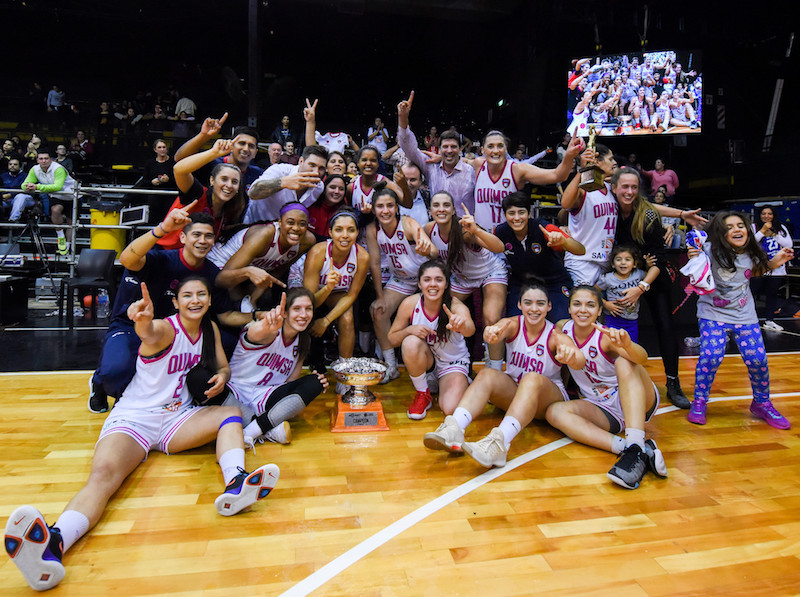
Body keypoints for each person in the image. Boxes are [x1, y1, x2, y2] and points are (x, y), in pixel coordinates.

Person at [4, 277, 279, 592]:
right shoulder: (165, 328)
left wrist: (220, 377)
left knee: (230, 414)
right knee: (104, 476)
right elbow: (148, 333)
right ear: (175, 302)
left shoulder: (210, 330)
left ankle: (236, 482)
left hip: (177, 419)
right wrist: (144, 322)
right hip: (135, 419)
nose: (195, 300)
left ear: (208, 300)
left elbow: (223, 367)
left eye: (201, 294)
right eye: (187, 295)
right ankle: (54, 544)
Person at [88, 210, 248, 413]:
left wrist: (257, 316)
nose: (203, 240)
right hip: (134, 325)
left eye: (208, 236)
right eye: (196, 235)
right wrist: (162, 229)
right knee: (116, 372)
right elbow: (128, 259)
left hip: (175, 333)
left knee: (226, 340)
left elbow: (225, 314)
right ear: (183, 237)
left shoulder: (212, 273)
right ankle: (100, 382)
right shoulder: (160, 260)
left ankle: (187, 392)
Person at [423, 281, 584, 467]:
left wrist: (572, 356)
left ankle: (499, 442)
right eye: (528, 302)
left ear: (549, 306)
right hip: (518, 395)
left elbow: (578, 359)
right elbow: (496, 329)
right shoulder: (513, 324)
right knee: (487, 374)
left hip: (547, 401)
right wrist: (490, 333)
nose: (534, 308)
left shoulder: (555, 335)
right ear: (519, 304)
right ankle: (454, 428)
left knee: (531, 378)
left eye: (540, 303)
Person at [547, 285, 667, 490]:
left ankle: (635, 442)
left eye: (590, 305)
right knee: (555, 412)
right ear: (569, 308)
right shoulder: (562, 329)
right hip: (602, 407)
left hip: (635, 397)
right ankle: (632, 449)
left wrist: (628, 346)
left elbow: (643, 359)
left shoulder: (605, 337)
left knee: (624, 361)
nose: (583, 310)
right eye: (577, 304)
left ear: (600, 310)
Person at [687, 212, 795, 429]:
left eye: (740, 225)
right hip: (712, 314)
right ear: (720, 233)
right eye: (730, 227)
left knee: (757, 359)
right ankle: (699, 401)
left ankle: (762, 403)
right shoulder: (709, 251)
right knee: (711, 356)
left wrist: (777, 261)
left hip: (744, 315)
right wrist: (694, 256)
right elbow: (694, 267)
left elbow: (756, 271)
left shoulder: (752, 252)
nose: (737, 230)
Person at [611, 166, 690, 409]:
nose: (629, 191)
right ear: (614, 188)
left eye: (634, 187)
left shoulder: (649, 216)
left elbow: (660, 259)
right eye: (625, 186)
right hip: (620, 274)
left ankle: (673, 383)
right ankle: (609, 381)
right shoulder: (607, 210)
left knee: (665, 326)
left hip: (652, 275)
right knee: (614, 329)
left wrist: (641, 287)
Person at [225, 288, 328, 445]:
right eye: (297, 309)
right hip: (234, 393)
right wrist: (267, 327)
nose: (303, 314)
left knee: (316, 381)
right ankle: (266, 428)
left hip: (264, 397)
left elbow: (290, 382)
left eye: (308, 309)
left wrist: (312, 385)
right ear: (284, 313)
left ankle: (250, 431)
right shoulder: (269, 331)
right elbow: (254, 333)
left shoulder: (303, 341)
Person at [424, 191, 508, 370]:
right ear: (430, 210)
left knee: (491, 316)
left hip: (489, 271)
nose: (441, 209)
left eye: (446, 205)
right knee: (440, 311)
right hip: (461, 278)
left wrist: (476, 229)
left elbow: (500, 247)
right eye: (436, 205)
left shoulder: (464, 229)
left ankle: (494, 369)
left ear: (454, 210)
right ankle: (446, 362)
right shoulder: (428, 229)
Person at [366, 188, 438, 381]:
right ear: (374, 210)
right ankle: (390, 365)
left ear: (396, 207)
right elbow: (374, 263)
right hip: (401, 279)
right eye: (380, 206)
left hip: (424, 279)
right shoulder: (373, 230)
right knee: (378, 311)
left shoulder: (407, 223)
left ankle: (435, 367)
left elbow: (434, 252)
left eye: (390, 205)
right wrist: (380, 297)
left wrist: (426, 250)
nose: (385, 210)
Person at [388, 260, 474, 419]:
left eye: (438, 280)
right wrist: (409, 329)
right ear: (419, 284)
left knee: (449, 408)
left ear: (446, 284)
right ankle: (423, 393)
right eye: (427, 279)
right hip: (428, 363)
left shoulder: (455, 306)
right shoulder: (410, 303)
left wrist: (461, 324)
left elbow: (470, 330)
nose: (432, 284)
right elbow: (392, 339)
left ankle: (461, 383)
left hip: (452, 363)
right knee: (410, 342)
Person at [302, 208, 370, 392]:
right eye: (339, 229)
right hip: (309, 296)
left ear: (357, 233)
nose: (345, 235)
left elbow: (352, 295)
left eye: (351, 230)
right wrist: (327, 288)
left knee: (347, 318)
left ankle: (344, 374)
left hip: (339, 295)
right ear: (330, 233)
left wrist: (326, 321)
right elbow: (308, 303)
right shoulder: (318, 252)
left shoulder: (362, 256)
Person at [494, 191, 584, 321]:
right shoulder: (501, 232)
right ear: (505, 215)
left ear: (529, 213)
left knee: (562, 322)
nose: (517, 218)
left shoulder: (544, 228)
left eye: (522, 212)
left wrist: (563, 242)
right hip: (522, 283)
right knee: (514, 324)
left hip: (554, 282)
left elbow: (581, 250)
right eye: (511, 213)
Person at [470, 129, 583, 233]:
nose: (495, 150)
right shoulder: (478, 164)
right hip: (481, 240)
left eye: (500, 146)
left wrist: (569, 155)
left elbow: (557, 175)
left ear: (506, 149)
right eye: (490, 146)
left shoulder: (517, 169)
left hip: (508, 239)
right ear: (483, 150)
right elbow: (460, 162)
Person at [215, 202, 316, 307]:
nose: (296, 228)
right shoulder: (264, 235)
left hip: (250, 270)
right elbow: (221, 279)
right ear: (280, 222)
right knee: (235, 302)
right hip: (221, 264)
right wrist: (248, 273)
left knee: (266, 300)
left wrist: (254, 297)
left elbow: (278, 270)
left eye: (302, 224)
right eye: (290, 222)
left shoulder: (307, 241)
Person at [157, 138, 247, 250]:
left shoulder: (232, 210)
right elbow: (179, 169)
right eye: (224, 179)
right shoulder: (198, 193)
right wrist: (213, 152)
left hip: (196, 260)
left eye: (234, 182)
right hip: (165, 253)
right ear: (212, 181)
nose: (229, 185)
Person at [397, 91, 475, 217]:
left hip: (465, 231)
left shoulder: (472, 171)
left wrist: (467, 161)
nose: (449, 150)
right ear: (439, 149)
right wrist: (403, 118)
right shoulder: (430, 167)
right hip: (437, 231)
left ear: (460, 150)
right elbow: (408, 148)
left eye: (453, 147)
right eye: (445, 147)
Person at [560, 143, 619, 285]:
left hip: (606, 262)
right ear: (597, 161)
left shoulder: (611, 188)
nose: (614, 162)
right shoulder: (584, 188)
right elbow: (565, 204)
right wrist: (583, 170)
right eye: (610, 159)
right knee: (583, 306)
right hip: (582, 262)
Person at [174, 113, 264, 190]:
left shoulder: (259, 175)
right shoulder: (212, 163)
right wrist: (203, 135)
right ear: (231, 145)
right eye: (242, 143)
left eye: (251, 146)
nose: (246, 149)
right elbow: (180, 160)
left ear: (255, 153)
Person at [14, 147, 76, 254]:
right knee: (55, 210)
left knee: (71, 222)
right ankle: (60, 236)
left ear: (50, 159)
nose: (43, 161)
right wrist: (28, 186)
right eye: (41, 159)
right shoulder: (34, 169)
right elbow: (24, 185)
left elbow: (57, 186)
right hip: (56, 196)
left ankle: (68, 246)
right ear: (37, 160)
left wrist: (36, 187)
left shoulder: (58, 169)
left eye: (46, 158)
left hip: (71, 195)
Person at [246, 145, 328, 223]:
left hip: (283, 232)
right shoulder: (280, 170)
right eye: (312, 165)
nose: (316, 172)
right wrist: (283, 182)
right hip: (253, 225)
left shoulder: (319, 187)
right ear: (301, 161)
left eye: (321, 168)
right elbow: (253, 193)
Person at [751, 205, 793, 331]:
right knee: (752, 293)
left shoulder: (781, 228)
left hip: (777, 268)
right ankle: (750, 320)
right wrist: (762, 231)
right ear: (760, 215)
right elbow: (750, 242)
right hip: (758, 267)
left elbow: (789, 244)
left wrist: (774, 235)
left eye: (769, 213)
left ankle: (769, 320)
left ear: (773, 215)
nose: (766, 216)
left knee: (772, 294)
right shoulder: (753, 227)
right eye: (764, 213)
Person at [596, 245, 649, 342]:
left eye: (627, 259)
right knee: (612, 347)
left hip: (631, 321)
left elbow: (649, 276)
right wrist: (605, 304)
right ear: (612, 264)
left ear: (634, 264)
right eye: (618, 259)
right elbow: (593, 292)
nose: (623, 263)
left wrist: (648, 265)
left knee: (631, 348)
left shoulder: (638, 274)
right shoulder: (607, 278)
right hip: (612, 319)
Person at [137, 138, 177, 224]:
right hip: (154, 196)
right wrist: (152, 182)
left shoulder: (173, 162)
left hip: (169, 195)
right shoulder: (150, 163)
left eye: (164, 147)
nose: (162, 149)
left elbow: (178, 180)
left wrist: (168, 179)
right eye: (159, 147)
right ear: (155, 150)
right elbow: (144, 181)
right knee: (154, 218)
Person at [307, 174, 347, 241]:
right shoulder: (309, 205)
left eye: (341, 189)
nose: (337, 191)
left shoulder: (345, 214)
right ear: (324, 188)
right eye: (332, 187)